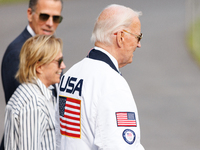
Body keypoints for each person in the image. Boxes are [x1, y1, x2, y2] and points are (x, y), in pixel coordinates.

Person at [55, 4, 144, 150]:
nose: (139, 44)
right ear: (121, 37)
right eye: (137, 36)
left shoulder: (71, 74)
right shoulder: (112, 84)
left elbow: (59, 136)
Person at [4, 35, 66, 150]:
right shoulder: (34, 103)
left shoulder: (29, 93)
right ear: (39, 66)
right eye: (59, 61)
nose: (63, 66)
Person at [1, 0, 63, 104]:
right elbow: (22, 107)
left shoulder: (52, 47)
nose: (50, 24)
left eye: (56, 18)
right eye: (44, 16)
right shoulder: (17, 53)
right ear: (30, 14)